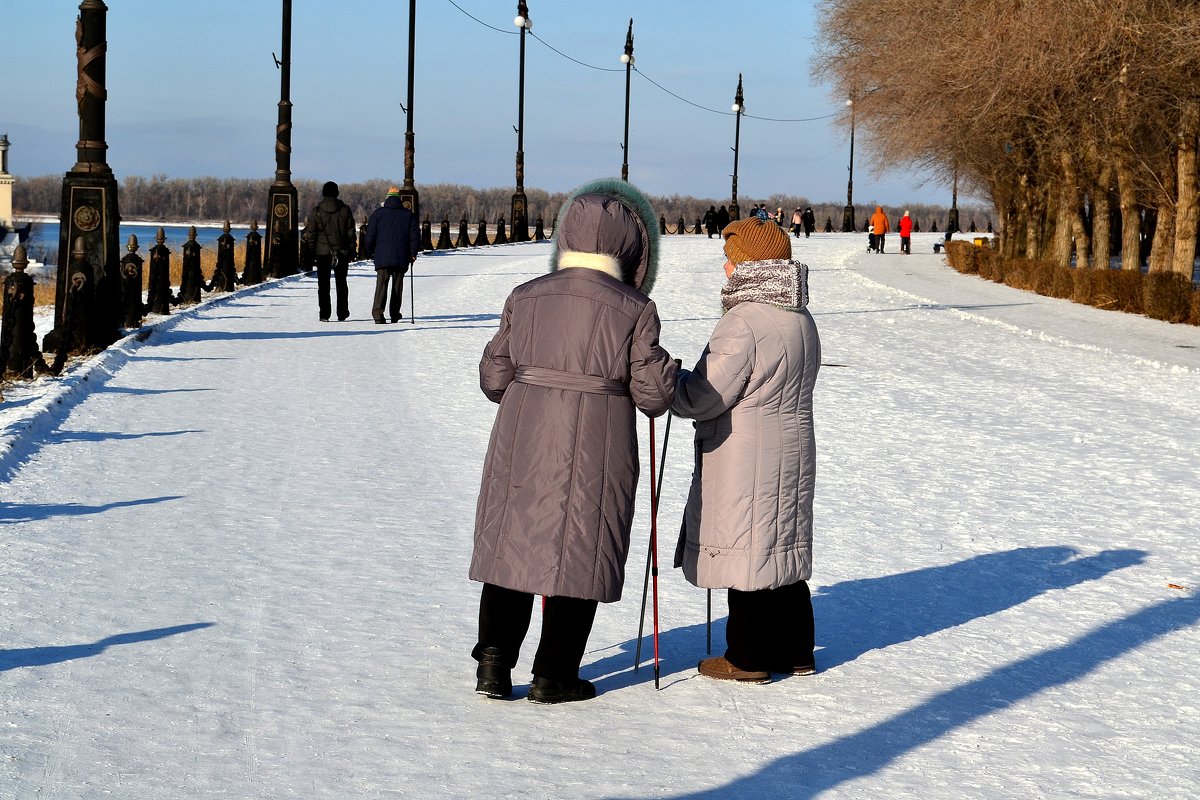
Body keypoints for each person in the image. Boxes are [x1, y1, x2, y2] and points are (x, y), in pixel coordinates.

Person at [470, 178, 677, 704]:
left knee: (512, 545)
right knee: (579, 548)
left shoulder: (526, 296)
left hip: (524, 433)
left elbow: (494, 378)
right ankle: (554, 673)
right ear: (630, 246)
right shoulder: (634, 309)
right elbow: (652, 395)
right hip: (598, 443)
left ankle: (493, 663)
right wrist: (666, 372)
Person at [671, 216, 820, 684]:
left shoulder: (745, 320)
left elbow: (706, 395)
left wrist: (672, 382)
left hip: (744, 451)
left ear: (748, 264)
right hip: (792, 446)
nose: (725, 268)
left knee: (748, 547)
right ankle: (796, 651)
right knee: (781, 546)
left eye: (730, 258)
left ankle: (748, 657)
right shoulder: (801, 316)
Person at [363, 187, 420, 324]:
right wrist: (413, 254)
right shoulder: (408, 215)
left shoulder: (378, 214)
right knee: (397, 286)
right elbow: (414, 237)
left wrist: (369, 251)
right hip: (401, 256)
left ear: (387, 197)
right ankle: (394, 314)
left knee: (381, 284)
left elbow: (370, 236)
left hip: (382, 256)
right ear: (399, 199)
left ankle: (378, 314)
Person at [302, 181, 357, 321]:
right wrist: (352, 249)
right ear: (337, 192)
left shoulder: (317, 211)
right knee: (341, 283)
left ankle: (324, 314)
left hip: (322, 252)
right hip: (341, 251)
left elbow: (312, 234)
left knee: (323, 284)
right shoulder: (345, 209)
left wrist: (311, 252)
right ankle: (342, 312)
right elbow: (350, 232)